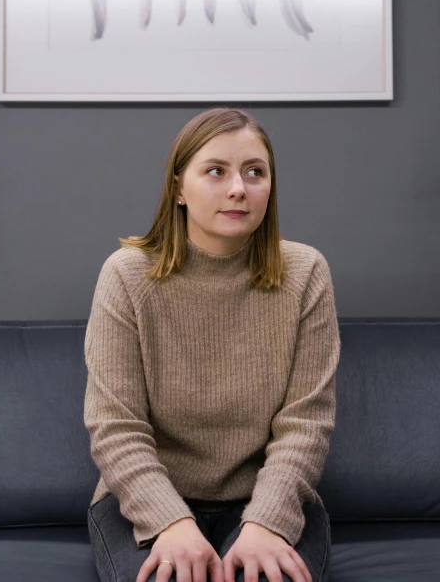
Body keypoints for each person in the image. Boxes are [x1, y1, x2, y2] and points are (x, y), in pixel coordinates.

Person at [84, 107, 341, 582]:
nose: (239, 188)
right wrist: (171, 521)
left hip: (265, 501)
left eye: (255, 172)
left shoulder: (305, 274)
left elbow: (306, 422)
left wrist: (267, 521)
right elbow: (114, 426)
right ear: (178, 188)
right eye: (216, 171)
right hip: (147, 502)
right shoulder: (125, 275)